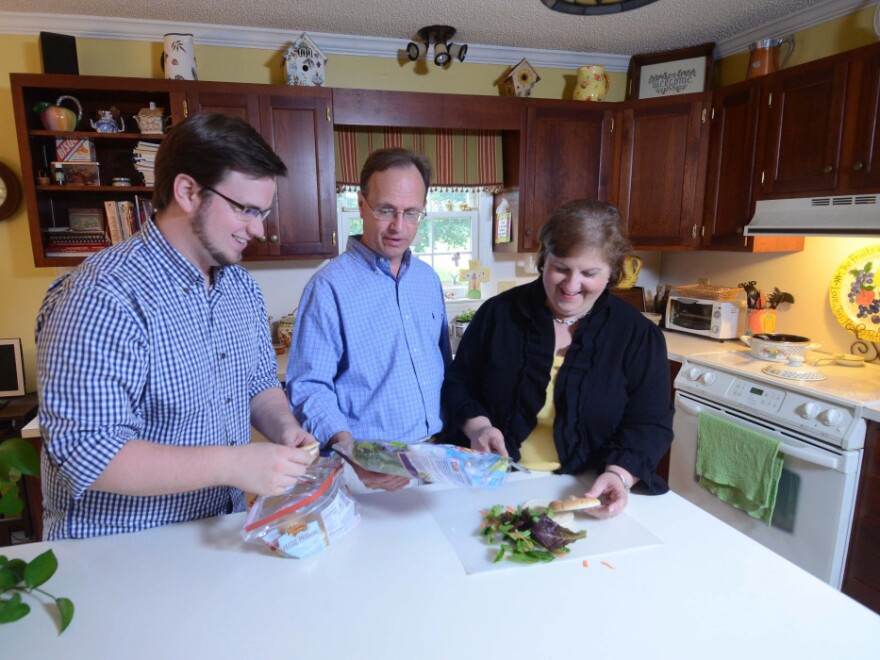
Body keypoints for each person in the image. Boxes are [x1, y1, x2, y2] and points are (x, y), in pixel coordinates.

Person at [35, 112, 317, 540]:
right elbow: (87, 452)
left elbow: (259, 383)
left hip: (215, 532)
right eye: (246, 210)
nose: (258, 229)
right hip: (120, 548)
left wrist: (284, 428)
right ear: (187, 191)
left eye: (263, 213)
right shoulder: (101, 295)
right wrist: (234, 463)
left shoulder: (241, 288)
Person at [441, 199, 672, 517]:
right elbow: (458, 383)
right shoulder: (498, 315)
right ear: (543, 259)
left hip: (587, 494)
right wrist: (479, 428)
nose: (571, 285)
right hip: (488, 487)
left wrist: (619, 474)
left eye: (589, 273)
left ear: (613, 272)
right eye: (560, 267)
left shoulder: (636, 336)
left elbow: (650, 423)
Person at [286, 148, 451, 490]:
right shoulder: (328, 287)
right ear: (361, 204)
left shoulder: (427, 280)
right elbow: (308, 388)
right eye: (386, 210)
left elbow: (443, 366)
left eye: (411, 213)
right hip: (368, 467)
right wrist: (353, 453)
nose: (398, 226)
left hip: (435, 456)